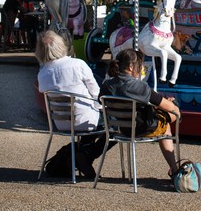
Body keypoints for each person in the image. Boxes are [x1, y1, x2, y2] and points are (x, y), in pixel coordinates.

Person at [35, 30, 105, 180]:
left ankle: (83, 154)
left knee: (92, 116)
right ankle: (87, 155)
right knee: (115, 125)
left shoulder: (42, 73)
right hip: (84, 119)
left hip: (61, 123)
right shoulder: (78, 64)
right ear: (62, 46)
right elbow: (96, 93)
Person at [101, 48, 181, 177]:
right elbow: (168, 106)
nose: (141, 69)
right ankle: (175, 169)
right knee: (170, 118)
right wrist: (174, 107)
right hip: (140, 128)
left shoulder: (107, 85)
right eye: (140, 66)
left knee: (166, 113)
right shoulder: (140, 87)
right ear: (132, 67)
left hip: (121, 129)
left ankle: (175, 169)